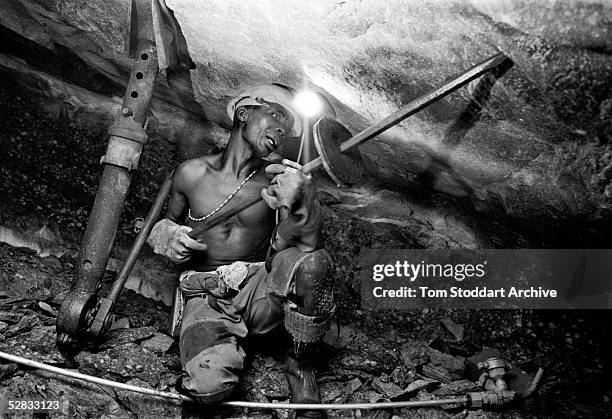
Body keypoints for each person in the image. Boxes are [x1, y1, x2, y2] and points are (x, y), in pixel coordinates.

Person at [147, 84, 335, 417]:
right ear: (243, 113)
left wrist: (304, 201)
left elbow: (307, 248)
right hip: (207, 293)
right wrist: (168, 236)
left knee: (315, 264)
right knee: (207, 390)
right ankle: (214, 359)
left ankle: (301, 368)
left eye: (287, 128)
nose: (281, 129)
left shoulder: (278, 181)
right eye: (276, 115)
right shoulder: (191, 172)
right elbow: (161, 226)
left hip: (258, 288)